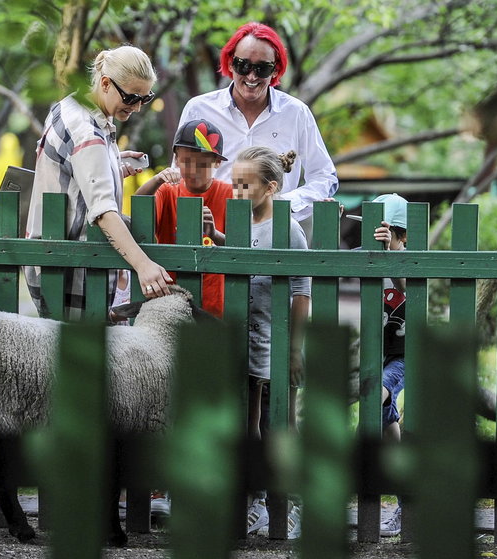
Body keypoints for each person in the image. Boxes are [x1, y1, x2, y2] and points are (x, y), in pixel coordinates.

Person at [24, 45, 172, 320]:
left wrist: (111, 164)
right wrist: (143, 265)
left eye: (145, 98)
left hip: (52, 258)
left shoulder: (71, 105)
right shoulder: (87, 132)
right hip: (71, 269)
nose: (137, 107)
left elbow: (69, 169)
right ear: (106, 83)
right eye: (131, 97)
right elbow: (103, 212)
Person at [178, 22, 338, 243]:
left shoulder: (296, 113)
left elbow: (324, 176)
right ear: (230, 63)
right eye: (243, 65)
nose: (252, 77)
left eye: (262, 68)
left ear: (275, 70)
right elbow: (179, 172)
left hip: (274, 235)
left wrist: (284, 204)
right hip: (208, 234)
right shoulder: (199, 109)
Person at [231, 146, 311, 539]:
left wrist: (293, 349)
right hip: (244, 340)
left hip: (274, 342)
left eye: (245, 185)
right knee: (249, 427)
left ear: (271, 187)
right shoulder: (241, 223)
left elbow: (301, 293)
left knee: (278, 425)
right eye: (234, 183)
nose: (236, 191)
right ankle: (256, 500)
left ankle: (294, 501)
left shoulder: (288, 229)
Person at [349, 192, 408, 537]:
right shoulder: (365, 257)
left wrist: (394, 256)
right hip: (375, 354)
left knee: (374, 399)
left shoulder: (410, 260)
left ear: (402, 237)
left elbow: (407, 286)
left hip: (401, 356)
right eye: (376, 231)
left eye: (390, 233)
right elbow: (330, 261)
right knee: (389, 426)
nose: (382, 238)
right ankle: (407, 502)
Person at [134, 118, 231, 317]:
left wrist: (214, 234)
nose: (194, 170)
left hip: (216, 305)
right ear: (176, 159)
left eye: (203, 164)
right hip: (170, 301)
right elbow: (139, 208)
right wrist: (157, 179)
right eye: (187, 162)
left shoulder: (230, 195)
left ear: (217, 162)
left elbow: (242, 248)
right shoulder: (167, 192)